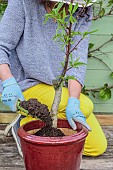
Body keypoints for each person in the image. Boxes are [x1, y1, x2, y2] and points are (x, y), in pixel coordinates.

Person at [0, 0, 107, 157]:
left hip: (54, 89)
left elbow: (77, 61)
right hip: (22, 84)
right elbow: (2, 46)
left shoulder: (82, 9)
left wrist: (74, 101)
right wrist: (8, 82)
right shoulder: (22, 2)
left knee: (96, 146)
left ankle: (30, 121)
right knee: (87, 105)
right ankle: (26, 127)